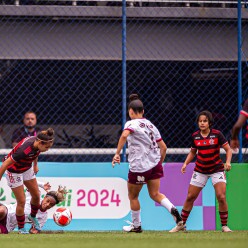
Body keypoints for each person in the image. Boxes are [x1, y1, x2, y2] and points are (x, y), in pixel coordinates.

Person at [112, 93, 183, 233]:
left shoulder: (131, 123)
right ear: (143, 111)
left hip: (139, 166)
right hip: (154, 164)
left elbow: (124, 135)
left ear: (130, 112)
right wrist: (158, 164)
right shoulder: (151, 125)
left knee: (133, 196)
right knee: (155, 194)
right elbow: (164, 147)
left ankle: (136, 226)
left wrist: (117, 153)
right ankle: (175, 212)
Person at [169, 110, 232, 233]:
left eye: (205, 121)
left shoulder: (217, 134)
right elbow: (193, 152)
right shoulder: (195, 136)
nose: (202, 123)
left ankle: (224, 226)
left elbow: (228, 149)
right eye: (200, 121)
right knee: (190, 196)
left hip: (216, 170)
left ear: (209, 123)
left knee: (221, 196)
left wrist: (228, 162)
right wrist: (186, 163)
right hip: (200, 170)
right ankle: (181, 224)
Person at [0, 128, 55, 234]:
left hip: (27, 168)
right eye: (47, 147)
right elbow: (5, 164)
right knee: (22, 201)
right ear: (40, 142)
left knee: (36, 196)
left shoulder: (37, 143)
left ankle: (32, 216)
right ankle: (21, 228)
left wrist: (35, 165)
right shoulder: (23, 151)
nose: (48, 149)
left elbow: (36, 152)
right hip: (14, 171)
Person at [0, 183, 67, 234]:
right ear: (44, 197)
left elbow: (33, 230)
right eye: (48, 201)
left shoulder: (43, 216)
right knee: (1, 211)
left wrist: (37, 230)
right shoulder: (35, 197)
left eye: (51, 204)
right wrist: (42, 185)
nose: (47, 205)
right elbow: (29, 182)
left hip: (8, 225)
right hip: (7, 210)